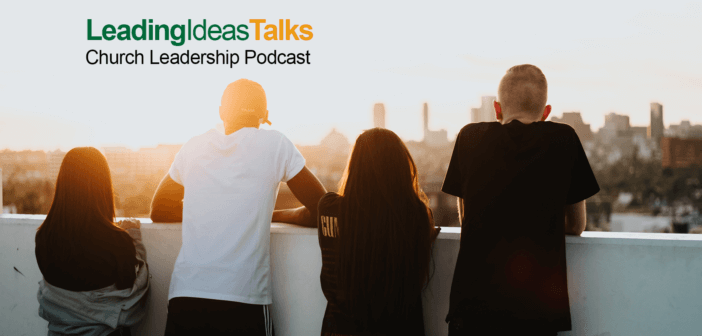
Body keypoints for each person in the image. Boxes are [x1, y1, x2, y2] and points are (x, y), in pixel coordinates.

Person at [151, 79, 327, 335]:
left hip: (187, 297)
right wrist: (270, 215)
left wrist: (209, 209)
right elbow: (323, 209)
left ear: (221, 111)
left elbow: (159, 210)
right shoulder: (276, 144)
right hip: (244, 300)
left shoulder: (194, 146)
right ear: (265, 116)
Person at [441, 64, 600, 335]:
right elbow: (577, 225)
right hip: (537, 313)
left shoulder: (470, 137)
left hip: (473, 308)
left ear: (497, 108)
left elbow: (469, 217)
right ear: (546, 112)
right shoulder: (564, 139)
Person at [287, 128, 438, 335]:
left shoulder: (330, 208)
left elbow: (301, 215)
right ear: (401, 166)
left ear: (355, 165)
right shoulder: (416, 215)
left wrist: (269, 215)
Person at [35, 147, 149, 336]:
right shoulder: (116, 242)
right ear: (102, 185)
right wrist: (134, 239)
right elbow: (132, 296)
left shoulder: (44, 238)